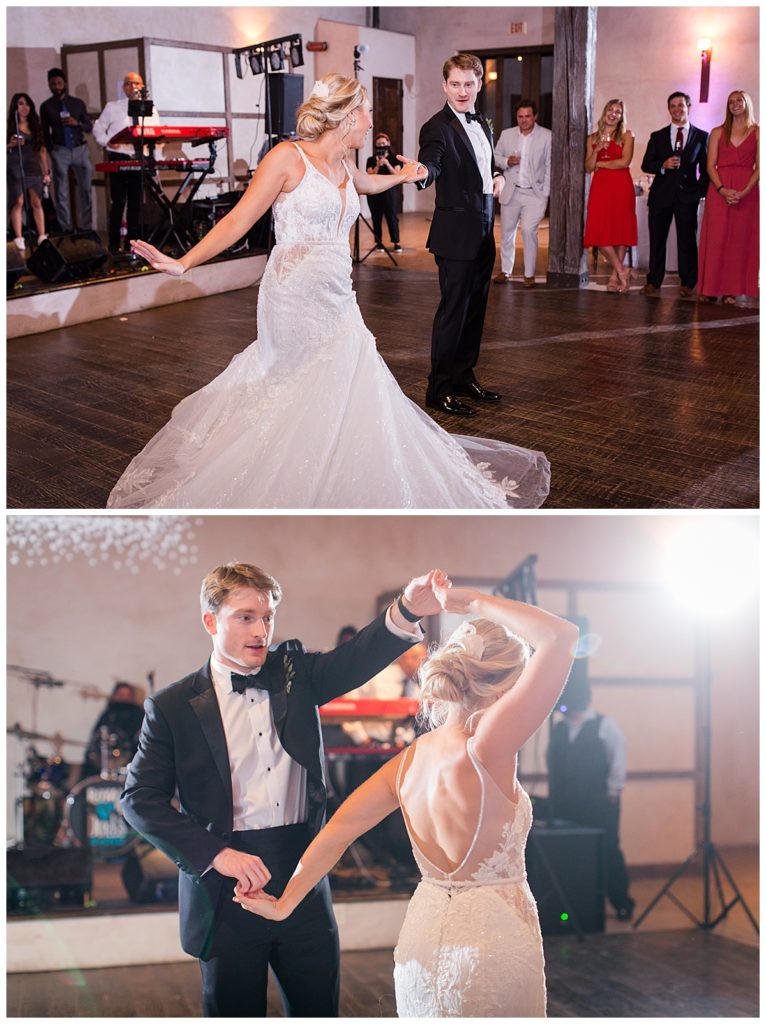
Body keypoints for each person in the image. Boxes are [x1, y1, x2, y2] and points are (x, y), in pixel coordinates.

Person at [106, 74, 550, 510]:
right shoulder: (287, 157)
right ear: (347, 116)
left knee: (345, 378)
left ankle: (329, 463)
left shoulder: (341, 165)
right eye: (367, 111)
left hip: (338, 294)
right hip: (293, 295)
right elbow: (238, 221)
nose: (372, 120)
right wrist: (184, 262)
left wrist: (402, 177)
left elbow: (369, 184)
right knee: (296, 383)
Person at [235, 578, 579, 1017]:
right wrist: (472, 602)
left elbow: (339, 829)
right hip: (490, 944)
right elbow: (563, 637)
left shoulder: (411, 757)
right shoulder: (487, 746)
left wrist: (285, 904)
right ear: (503, 687)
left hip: (420, 940)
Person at [121, 561, 442, 1016]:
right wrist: (217, 855)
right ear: (210, 621)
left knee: (318, 1009)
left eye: (267, 616)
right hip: (225, 885)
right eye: (245, 616)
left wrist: (408, 608)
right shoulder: (172, 706)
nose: (261, 630)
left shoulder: (296, 674)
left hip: (303, 873)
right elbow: (138, 800)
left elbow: (354, 660)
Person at [416, 54, 506, 418]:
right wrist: (422, 172)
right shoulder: (436, 127)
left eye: (469, 84)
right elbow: (432, 162)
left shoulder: (483, 122)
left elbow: (486, 162)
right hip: (455, 234)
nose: (462, 91)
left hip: (484, 227)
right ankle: (438, 389)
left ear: (479, 84)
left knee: (476, 311)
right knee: (453, 312)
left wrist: (498, 175)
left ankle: (463, 376)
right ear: (444, 86)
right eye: (455, 84)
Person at [547, 675, 635, 921]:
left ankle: (621, 901)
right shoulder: (560, 728)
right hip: (566, 802)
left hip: (598, 801)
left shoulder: (605, 725)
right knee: (571, 851)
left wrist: (613, 790)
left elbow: (618, 760)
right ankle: (574, 903)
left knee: (607, 850)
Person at [640, 91, 708, 298]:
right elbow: (646, 164)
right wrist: (662, 164)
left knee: (687, 241)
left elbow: (705, 170)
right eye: (673, 106)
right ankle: (653, 281)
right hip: (661, 195)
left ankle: (688, 282)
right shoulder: (658, 136)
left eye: (681, 105)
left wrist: (699, 193)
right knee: (657, 240)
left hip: (687, 197)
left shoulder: (702, 136)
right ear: (668, 109)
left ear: (689, 107)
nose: (677, 109)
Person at [698, 90, 759, 304]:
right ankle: (710, 288)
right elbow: (709, 165)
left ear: (747, 103)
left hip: (747, 191)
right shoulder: (717, 132)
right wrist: (722, 189)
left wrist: (744, 191)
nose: (735, 104)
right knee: (716, 238)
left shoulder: (758, 132)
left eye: (739, 100)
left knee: (739, 241)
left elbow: (760, 168)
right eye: (731, 101)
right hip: (719, 190)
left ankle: (731, 290)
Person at [92, 71, 161, 254]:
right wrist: (107, 141)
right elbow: (98, 128)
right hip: (119, 158)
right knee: (118, 202)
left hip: (140, 158)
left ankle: (134, 246)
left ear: (142, 86)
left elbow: (156, 131)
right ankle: (114, 245)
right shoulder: (113, 107)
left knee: (136, 204)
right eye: (129, 83)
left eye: (137, 83)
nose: (134, 87)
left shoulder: (150, 109)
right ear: (124, 88)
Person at [493, 99, 551, 288]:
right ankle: (505, 270)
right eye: (520, 116)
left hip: (535, 193)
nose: (524, 120)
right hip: (512, 191)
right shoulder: (507, 134)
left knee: (528, 230)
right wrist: (507, 162)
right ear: (516, 117)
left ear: (535, 116)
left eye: (528, 116)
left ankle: (529, 274)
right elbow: (495, 155)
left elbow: (551, 165)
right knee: (507, 232)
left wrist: (545, 192)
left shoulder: (546, 136)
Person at [583, 99, 638, 293]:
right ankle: (622, 270)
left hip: (621, 186)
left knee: (621, 232)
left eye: (618, 111)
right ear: (604, 112)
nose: (613, 114)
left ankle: (615, 277)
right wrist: (596, 152)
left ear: (622, 116)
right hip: (600, 188)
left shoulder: (626, 135)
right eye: (610, 110)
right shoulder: (592, 138)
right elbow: (588, 167)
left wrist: (602, 164)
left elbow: (624, 162)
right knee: (598, 231)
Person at [40, 67, 93, 233]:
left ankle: (86, 228)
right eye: (53, 84)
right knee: (61, 191)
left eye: (59, 83)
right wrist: (52, 151)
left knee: (85, 189)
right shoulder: (46, 106)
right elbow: (44, 131)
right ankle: (66, 228)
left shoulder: (77, 103)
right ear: (49, 84)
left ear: (65, 84)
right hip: (60, 150)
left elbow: (88, 127)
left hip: (80, 149)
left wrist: (76, 122)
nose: (56, 86)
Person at [7, 93, 51, 250]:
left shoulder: (35, 126)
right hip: (15, 167)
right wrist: (10, 145)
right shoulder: (8, 127)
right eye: (20, 104)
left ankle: (42, 236)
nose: (24, 107)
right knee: (18, 202)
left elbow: (42, 150)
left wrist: (46, 172)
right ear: (14, 106)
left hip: (33, 167)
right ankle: (19, 238)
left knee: (36, 202)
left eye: (27, 104)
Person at [82, 681, 144, 778]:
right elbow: (96, 739)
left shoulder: (139, 715)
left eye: (126, 695)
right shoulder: (108, 714)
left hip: (130, 764)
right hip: (104, 765)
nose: (123, 698)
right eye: (120, 694)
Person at [365, 132, 402, 251]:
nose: (381, 145)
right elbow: (369, 174)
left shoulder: (394, 158)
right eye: (379, 144)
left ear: (388, 143)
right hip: (374, 191)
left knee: (391, 217)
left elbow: (397, 174)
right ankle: (378, 242)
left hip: (389, 192)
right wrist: (377, 165)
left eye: (383, 143)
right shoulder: (371, 159)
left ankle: (396, 242)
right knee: (376, 217)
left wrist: (387, 163)